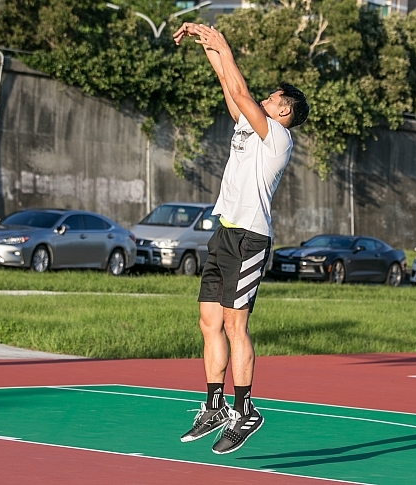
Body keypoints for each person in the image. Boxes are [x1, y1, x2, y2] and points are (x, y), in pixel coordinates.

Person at [173, 22, 309, 454]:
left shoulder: (278, 137)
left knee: (235, 324)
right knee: (208, 321)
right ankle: (214, 404)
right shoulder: (251, 128)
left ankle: (245, 410)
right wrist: (207, 46)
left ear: (283, 112)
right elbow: (231, 89)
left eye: (273, 99)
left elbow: (243, 93)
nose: (264, 100)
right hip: (225, 230)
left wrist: (226, 45)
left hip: (251, 237)